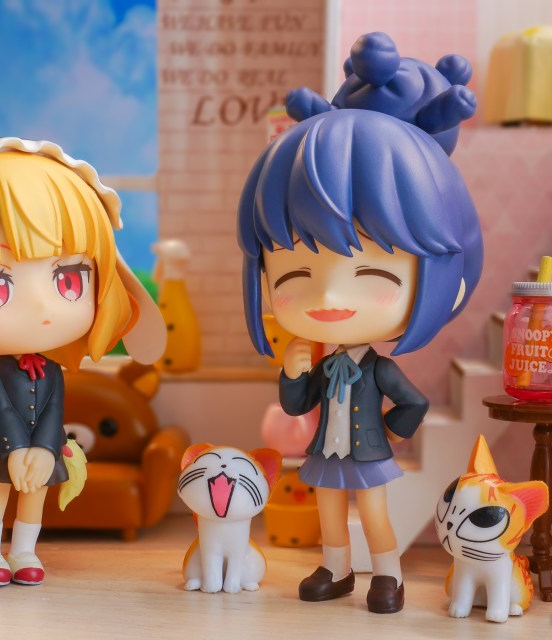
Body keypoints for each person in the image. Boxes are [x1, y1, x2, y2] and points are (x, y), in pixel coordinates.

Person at [237, 34, 482, 613]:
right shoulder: (323, 363)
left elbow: (415, 402)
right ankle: (335, 569)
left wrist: (391, 434)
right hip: (325, 452)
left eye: (372, 273)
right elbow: (297, 406)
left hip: (369, 453)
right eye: (296, 274)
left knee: (373, 513)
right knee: (328, 513)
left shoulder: (378, 369)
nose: (327, 296)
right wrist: (292, 372)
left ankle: (387, 576)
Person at [0, 137, 166, 586]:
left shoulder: (50, 369)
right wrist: (17, 450)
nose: (42, 307)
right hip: (1, 446)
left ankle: (25, 551)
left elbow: (53, 409)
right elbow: (2, 410)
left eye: (69, 278)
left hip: (43, 449)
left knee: (34, 500)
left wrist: (46, 449)